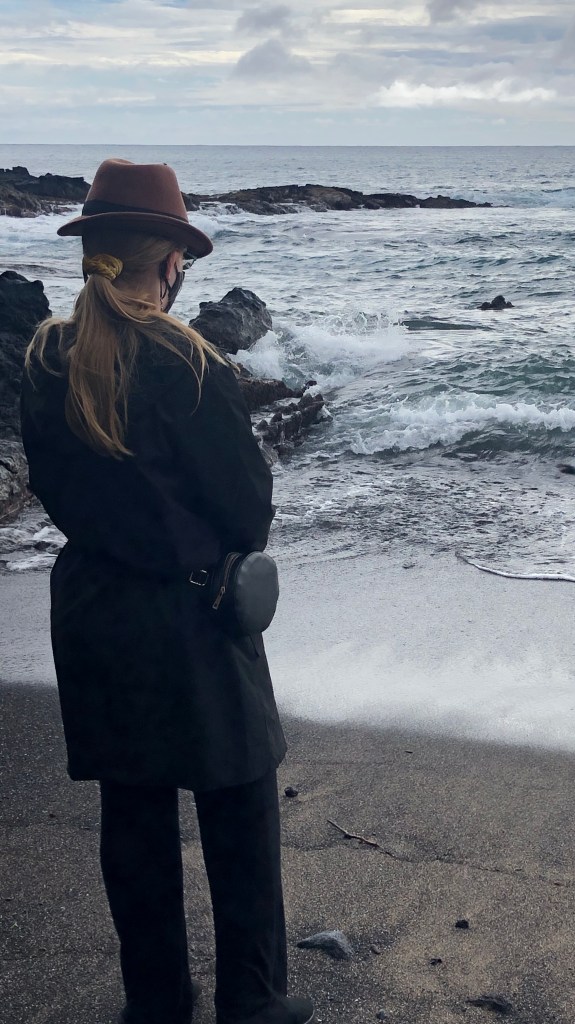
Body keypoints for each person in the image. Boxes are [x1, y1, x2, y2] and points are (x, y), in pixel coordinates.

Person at [20, 159, 314, 1024]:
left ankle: (154, 1003)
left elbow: (53, 487)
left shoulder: (44, 357)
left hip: (93, 612)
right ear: (172, 261)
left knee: (133, 813)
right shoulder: (189, 364)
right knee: (239, 806)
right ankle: (251, 1003)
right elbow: (246, 511)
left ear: (94, 250)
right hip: (192, 615)